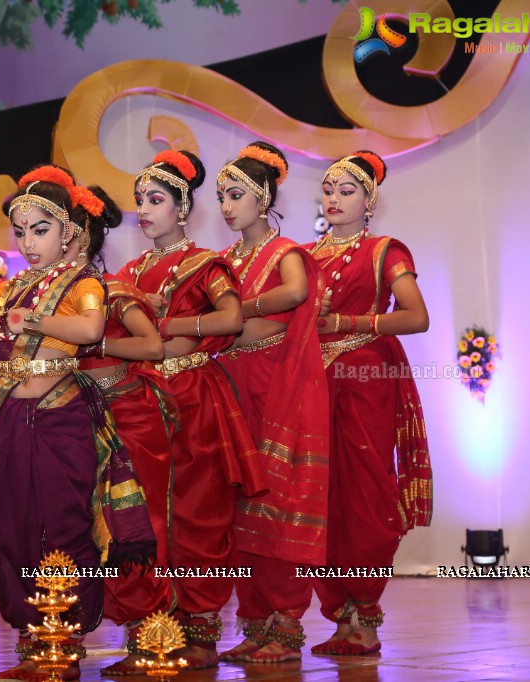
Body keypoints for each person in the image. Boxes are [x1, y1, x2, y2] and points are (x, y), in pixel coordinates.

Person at [0, 165, 155, 681]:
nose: (29, 243)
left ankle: (66, 638)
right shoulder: (7, 292)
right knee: (13, 527)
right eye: (21, 232)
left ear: (68, 232)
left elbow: (91, 328)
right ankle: (34, 640)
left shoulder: (85, 283)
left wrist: (31, 320)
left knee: (64, 525)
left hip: (62, 418)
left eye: (41, 230)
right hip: (9, 420)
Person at [116, 149, 267, 670]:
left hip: (195, 400)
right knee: (143, 517)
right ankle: (153, 631)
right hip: (141, 404)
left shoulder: (206, 263)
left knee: (199, 515)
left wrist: (169, 326)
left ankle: (201, 631)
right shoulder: (129, 271)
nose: (144, 209)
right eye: (139, 201)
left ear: (182, 208)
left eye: (155, 200)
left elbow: (229, 320)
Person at [306, 151, 433, 655]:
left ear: (369, 200)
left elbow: (416, 316)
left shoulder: (385, 251)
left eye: (346, 191)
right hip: (313, 384)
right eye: (328, 190)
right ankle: (340, 616)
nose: (334, 199)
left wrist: (348, 324)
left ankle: (367, 615)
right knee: (319, 497)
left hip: (366, 378)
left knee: (365, 495)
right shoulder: (304, 256)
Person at [212, 142, 330, 664]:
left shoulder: (287, 254)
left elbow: (295, 294)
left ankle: (285, 627)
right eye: (220, 197)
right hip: (231, 383)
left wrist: (239, 311)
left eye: (235, 195)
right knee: (238, 507)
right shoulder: (223, 261)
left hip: (276, 384)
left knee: (279, 503)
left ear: (263, 198)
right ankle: (256, 624)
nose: (226, 207)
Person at [66, 194, 180, 676]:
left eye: (53, 230)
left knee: (136, 528)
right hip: (75, 421)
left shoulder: (111, 290)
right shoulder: (50, 296)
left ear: (80, 237)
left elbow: (153, 345)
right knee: (88, 529)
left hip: (129, 418)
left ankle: (152, 639)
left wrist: (96, 340)